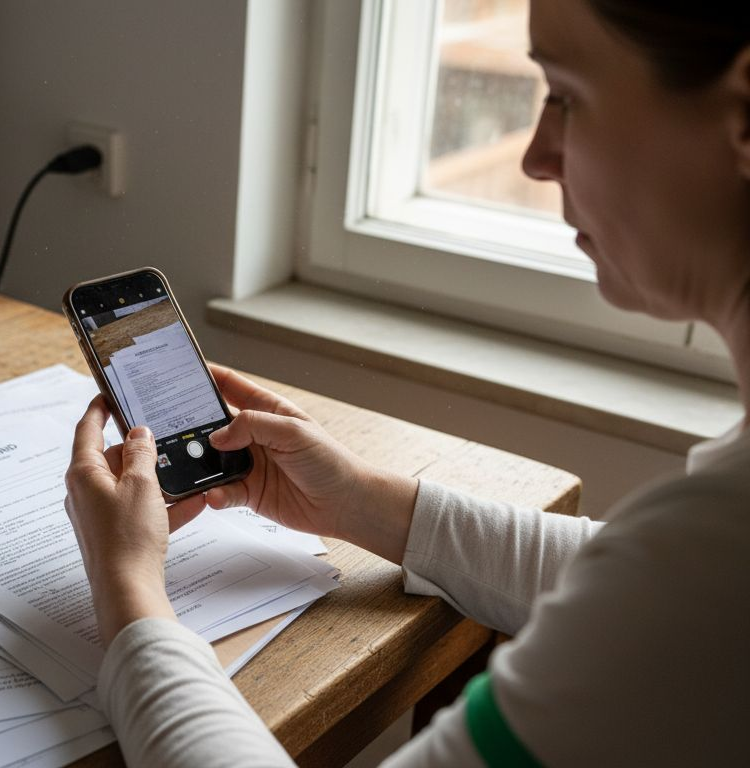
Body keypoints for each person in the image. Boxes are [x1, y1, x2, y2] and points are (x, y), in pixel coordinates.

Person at [63, 0, 750, 765]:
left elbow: (678, 591)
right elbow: (636, 583)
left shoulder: (718, 557)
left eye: (564, 94)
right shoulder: (708, 545)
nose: (536, 156)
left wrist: (129, 597)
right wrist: (361, 501)